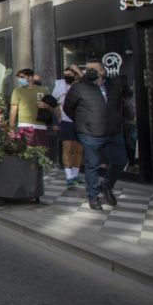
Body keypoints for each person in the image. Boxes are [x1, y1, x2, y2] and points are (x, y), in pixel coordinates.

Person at [63, 59, 127, 211]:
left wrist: (117, 120)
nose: (89, 71)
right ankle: (93, 196)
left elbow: (119, 106)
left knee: (120, 161)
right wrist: (82, 123)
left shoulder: (113, 86)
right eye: (87, 69)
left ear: (103, 71)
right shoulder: (79, 87)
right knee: (92, 165)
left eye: (93, 69)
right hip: (90, 133)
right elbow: (68, 107)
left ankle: (106, 186)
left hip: (113, 131)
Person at [52, 66, 83, 187]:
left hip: (80, 121)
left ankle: (75, 175)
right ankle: (69, 176)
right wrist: (58, 118)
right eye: (65, 74)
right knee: (67, 148)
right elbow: (54, 103)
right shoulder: (60, 85)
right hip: (66, 121)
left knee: (79, 150)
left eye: (70, 74)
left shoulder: (81, 85)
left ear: (75, 75)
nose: (67, 77)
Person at [10, 68, 50, 147]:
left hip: (40, 125)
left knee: (42, 152)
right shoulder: (17, 91)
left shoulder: (43, 90)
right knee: (26, 152)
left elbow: (53, 106)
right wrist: (11, 127)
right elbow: (13, 110)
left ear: (30, 78)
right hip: (24, 124)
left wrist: (46, 105)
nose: (20, 79)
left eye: (22, 77)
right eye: (19, 78)